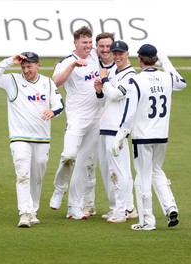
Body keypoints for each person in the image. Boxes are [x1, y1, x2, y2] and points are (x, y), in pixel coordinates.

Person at [113, 44, 187, 230]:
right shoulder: (166, 77)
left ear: (139, 59)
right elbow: (182, 82)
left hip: (142, 136)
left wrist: (121, 135)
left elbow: (129, 112)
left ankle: (147, 220)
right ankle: (170, 206)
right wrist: (167, 62)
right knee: (156, 171)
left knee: (143, 177)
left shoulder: (136, 81)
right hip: (162, 135)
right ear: (155, 59)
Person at [0, 52, 64, 227]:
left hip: (42, 139)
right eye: (23, 67)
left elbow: (59, 104)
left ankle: (33, 210)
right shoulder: (12, 80)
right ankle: (24, 212)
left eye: (30, 66)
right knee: (22, 175)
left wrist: (52, 112)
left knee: (37, 176)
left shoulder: (47, 83)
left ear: (38, 65)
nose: (26, 70)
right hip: (19, 138)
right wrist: (9, 62)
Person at [49, 26, 101, 220]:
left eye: (90, 42)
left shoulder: (95, 56)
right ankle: (59, 189)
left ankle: (74, 207)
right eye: (84, 43)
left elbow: (108, 51)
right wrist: (72, 67)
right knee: (69, 156)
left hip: (96, 119)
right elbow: (54, 82)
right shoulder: (66, 62)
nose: (88, 46)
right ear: (75, 43)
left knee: (85, 164)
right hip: (77, 119)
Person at [94, 40, 138, 223]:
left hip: (117, 128)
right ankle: (128, 208)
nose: (118, 56)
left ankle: (121, 211)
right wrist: (99, 90)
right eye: (115, 53)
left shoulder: (130, 75)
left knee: (118, 170)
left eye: (121, 53)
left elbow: (115, 94)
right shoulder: (114, 72)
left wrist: (104, 80)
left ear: (127, 54)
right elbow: (106, 99)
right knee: (119, 170)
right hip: (107, 124)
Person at [81, 32, 116, 217]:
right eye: (100, 46)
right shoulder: (92, 60)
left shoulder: (120, 67)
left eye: (108, 46)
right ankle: (88, 204)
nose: (104, 50)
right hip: (90, 120)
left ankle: (121, 206)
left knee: (112, 166)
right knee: (88, 163)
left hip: (111, 124)